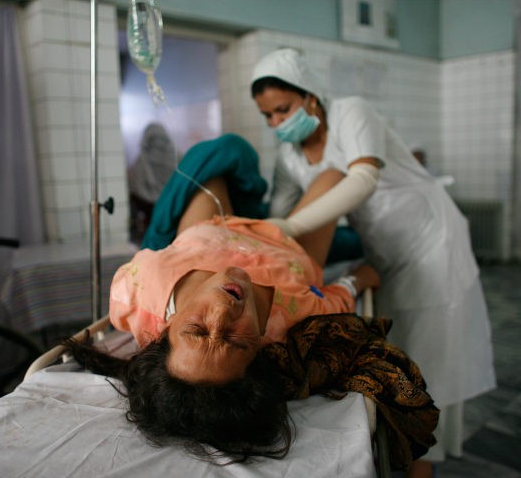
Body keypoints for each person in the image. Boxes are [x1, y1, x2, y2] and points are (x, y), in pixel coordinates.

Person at [66, 134, 439, 469]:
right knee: (334, 177)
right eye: (234, 339)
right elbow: (336, 300)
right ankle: (269, 211)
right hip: (285, 246)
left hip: (210, 231)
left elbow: (125, 298)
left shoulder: (144, 287)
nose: (223, 313)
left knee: (221, 152)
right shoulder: (290, 321)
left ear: (166, 330)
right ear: (260, 346)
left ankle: (253, 197)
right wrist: (359, 278)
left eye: (197, 329)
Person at [250, 48, 496, 478]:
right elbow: (280, 217)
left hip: (429, 242)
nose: (276, 123)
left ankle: (423, 466)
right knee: (402, 356)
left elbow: (362, 178)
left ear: (310, 97)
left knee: (431, 362)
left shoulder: (350, 113)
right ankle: (410, 454)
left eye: (283, 110)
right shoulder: (290, 158)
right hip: (385, 251)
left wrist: (288, 224)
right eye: (268, 116)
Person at [127, 122, 177, 245]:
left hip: (164, 224)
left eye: (161, 140)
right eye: (155, 141)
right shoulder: (140, 165)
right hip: (160, 218)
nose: (158, 146)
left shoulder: (177, 159)